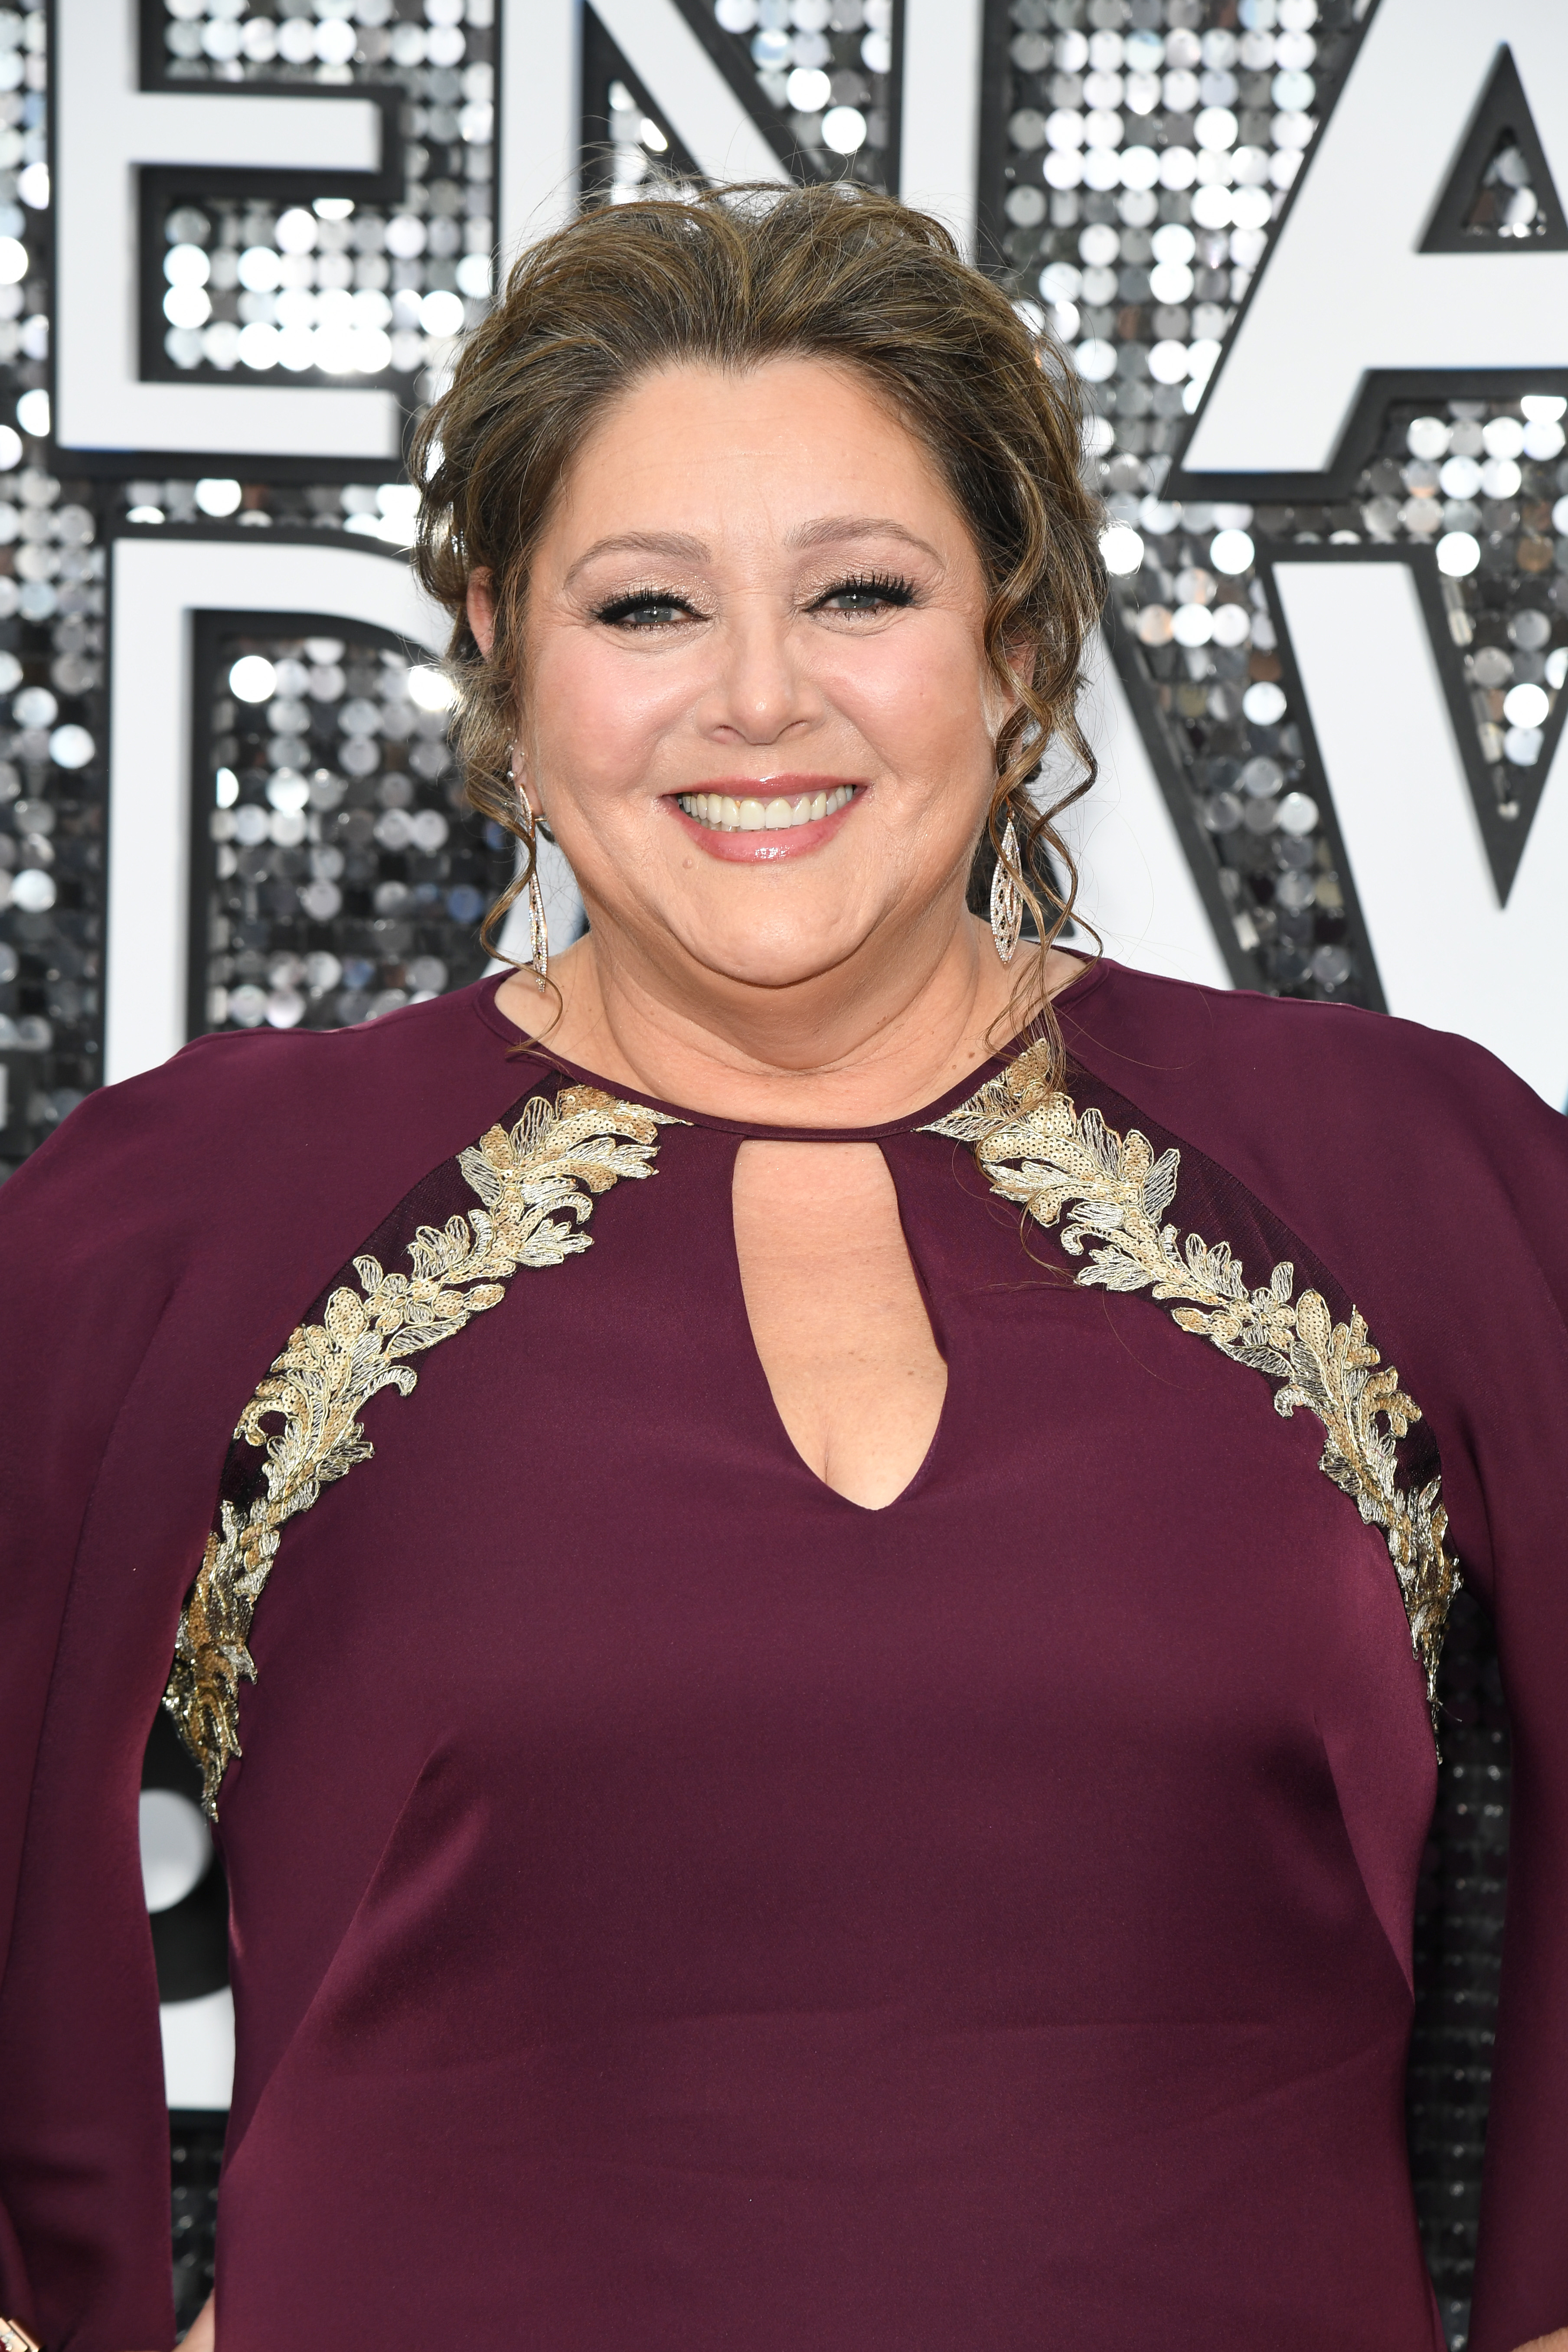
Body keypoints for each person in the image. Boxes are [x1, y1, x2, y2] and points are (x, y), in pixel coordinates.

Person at [0, 185, 1563, 2352]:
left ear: (1016, 643)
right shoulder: (197, 1214)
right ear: (503, 646)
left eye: (860, 592)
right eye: (646, 607)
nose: (757, 699)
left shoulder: (1411, 1181)